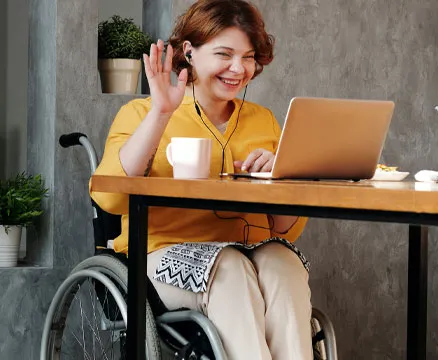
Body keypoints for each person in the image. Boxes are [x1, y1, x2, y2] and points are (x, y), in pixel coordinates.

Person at [90, 0, 312, 359]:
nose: (238, 69)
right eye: (224, 54)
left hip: (251, 251)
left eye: (248, 56)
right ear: (190, 52)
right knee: (231, 268)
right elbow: (111, 198)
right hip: (160, 256)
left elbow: (284, 228)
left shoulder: (263, 120)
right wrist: (161, 112)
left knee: (283, 264)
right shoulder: (140, 113)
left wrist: (278, 176)